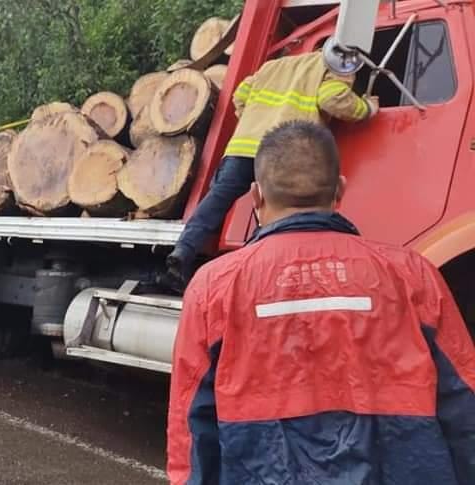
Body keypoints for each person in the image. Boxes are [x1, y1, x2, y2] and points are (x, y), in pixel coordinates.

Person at [167, 121, 475, 485]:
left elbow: (191, 424)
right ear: (340, 189)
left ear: (256, 196)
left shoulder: (213, 288)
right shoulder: (413, 275)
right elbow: (463, 400)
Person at [167, 51, 380, 285]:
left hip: (244, 145)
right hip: (284, 150)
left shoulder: (273, 65)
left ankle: (183, 250)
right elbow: (331, 99)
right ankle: (259, 274)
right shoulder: (333, 65)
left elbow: (241, 95)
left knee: (218, 198)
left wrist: (253, 120)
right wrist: (367, 108)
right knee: (278, 213)